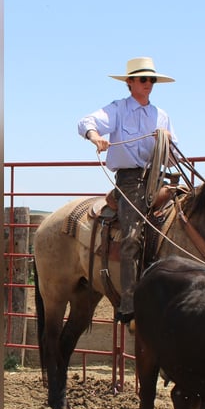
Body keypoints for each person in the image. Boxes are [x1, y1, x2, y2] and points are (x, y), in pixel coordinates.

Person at [77, 57, 177, 324]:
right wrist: (95, 136)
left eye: (152, 80)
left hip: (159, 177)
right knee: (132, 236)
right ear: (130, 82)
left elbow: (172, 153)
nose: (149, 84)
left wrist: (167, 150)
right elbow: (86, 121)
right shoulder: (118, 109)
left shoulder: (162, 116)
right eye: (143, 79)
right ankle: (129, 303)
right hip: (130, 180)